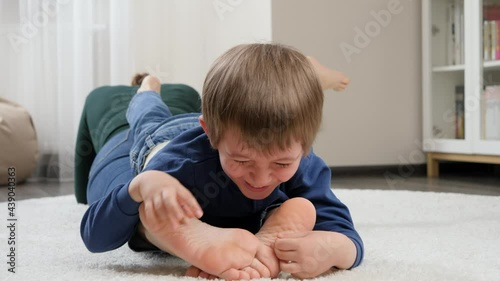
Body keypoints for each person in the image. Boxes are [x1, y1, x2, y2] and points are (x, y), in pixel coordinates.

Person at [79, 43, 361, 280]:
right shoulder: (181, 165)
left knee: (302, 204)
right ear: (211, 134)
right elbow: (95, 236)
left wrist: (333, 248)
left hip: (229, 133)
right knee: (147, 115)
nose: (260, 178)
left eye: (282, 165)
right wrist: (140, 187)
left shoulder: (304, 161)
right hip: (161, 139)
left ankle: (261, 242)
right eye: (242, 160)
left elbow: (347, 236)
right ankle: (147, 88)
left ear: (306, 146)